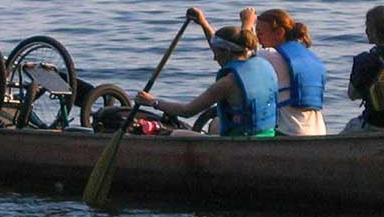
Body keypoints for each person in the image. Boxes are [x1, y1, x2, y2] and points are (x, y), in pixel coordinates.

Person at [135, 20, 278, 137]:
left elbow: (187, 111)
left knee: (176, 134)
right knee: (215, 123)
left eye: (216, 53)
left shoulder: (227, 83)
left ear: (227, 52)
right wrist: (202, 21)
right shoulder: (262, 62)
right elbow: (241, 37)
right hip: (268, 133)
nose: (214, 58)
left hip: (241, 142)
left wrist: (153, 102)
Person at [240, 7, 327, 135]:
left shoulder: (272, 56)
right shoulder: (308, 57)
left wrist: (247, 23)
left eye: (260, 34)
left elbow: (241, 53)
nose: (258, 40)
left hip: (290, 132)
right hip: (318, 131)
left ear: (279, 32)